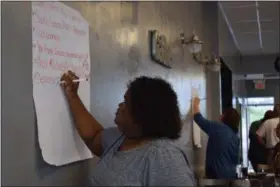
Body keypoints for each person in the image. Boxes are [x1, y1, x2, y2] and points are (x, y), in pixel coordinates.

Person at [60, 71, 196, 186]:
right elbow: (93, 136)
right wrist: (72, 96)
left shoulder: (163, 156)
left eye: (125, 102)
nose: (120, 105)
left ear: (142, 113)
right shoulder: (121, 138)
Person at [192, 97, 240, 179]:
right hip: (231, 177)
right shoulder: (235, 137)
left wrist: (195, 104)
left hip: (217, 178)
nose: (220, 116)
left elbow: (199, 119)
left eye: (222, 114)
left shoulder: (218, 128)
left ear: (224, 117)